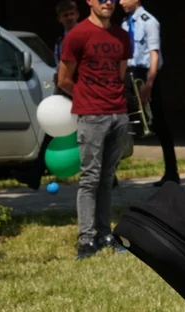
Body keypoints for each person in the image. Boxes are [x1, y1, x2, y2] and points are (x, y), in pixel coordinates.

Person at [59, 0, 132, 260]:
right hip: (91, 115)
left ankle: (104, 233)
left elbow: (120, 74)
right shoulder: (77, 35)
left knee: (107, 177)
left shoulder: (122, 36)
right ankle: (86, 239)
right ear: (89, 1)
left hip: (117, 113)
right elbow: (64, 79)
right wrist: (86, 98)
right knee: (90, 178)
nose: (108, 2)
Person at [14, 0, 80, 191]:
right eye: (65, 15)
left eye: (72, 14)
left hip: (79, 89)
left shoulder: (83, 36)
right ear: (59, 19)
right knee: (52, 131)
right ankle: (34, 176)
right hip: (64, 89)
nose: (69, 18)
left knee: (90, 133)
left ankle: (110, 176)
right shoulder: (61, 41)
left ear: (77, 14)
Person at [120, 0, 179, 186]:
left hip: (145, 74)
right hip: (127, 74)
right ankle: (110, 173)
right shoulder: (124, 23)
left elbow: (154, 53)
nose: (120, 2)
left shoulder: (149, 21)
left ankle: (172, 172)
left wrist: (150, 82)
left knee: (159, 122)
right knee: (117, 121)